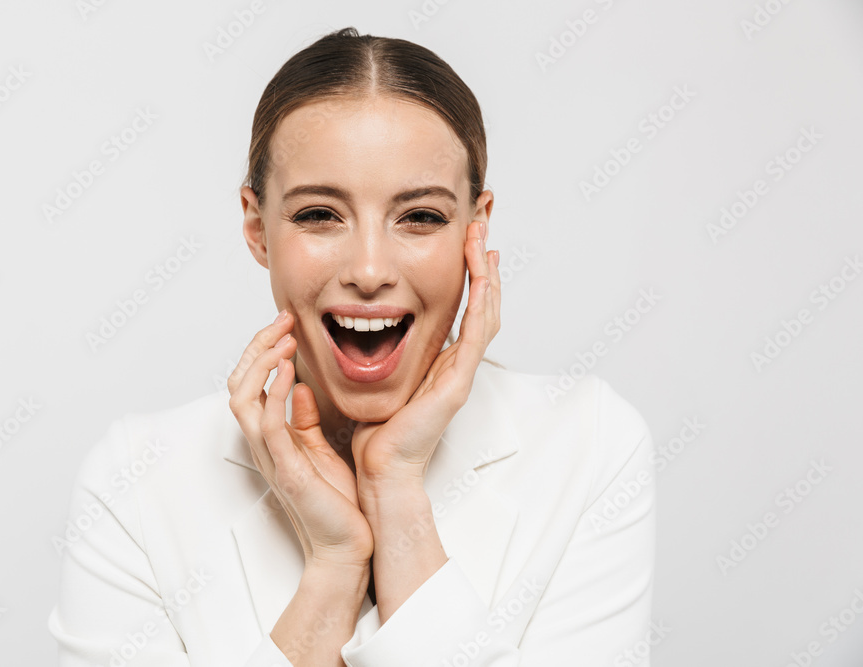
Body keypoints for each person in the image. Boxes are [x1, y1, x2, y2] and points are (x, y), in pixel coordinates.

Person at [47, 27, 656, 666]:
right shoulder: (136, 481)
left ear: (476, 228)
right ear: (257, 227)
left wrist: (395, 492)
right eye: (319, 215)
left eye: (420, 216)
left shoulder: (590, 444)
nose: (369, 269)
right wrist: (335, 568)